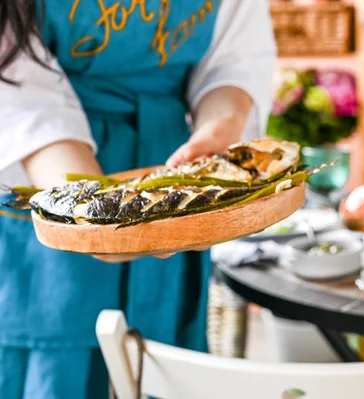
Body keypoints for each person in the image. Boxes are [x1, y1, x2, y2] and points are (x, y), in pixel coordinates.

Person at [0, 0, 276, 397]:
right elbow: (21, 92)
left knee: (161, 357)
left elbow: (234, 55)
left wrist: (219, 129)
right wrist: (91, 213)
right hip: (49, 171)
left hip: (173, 176)